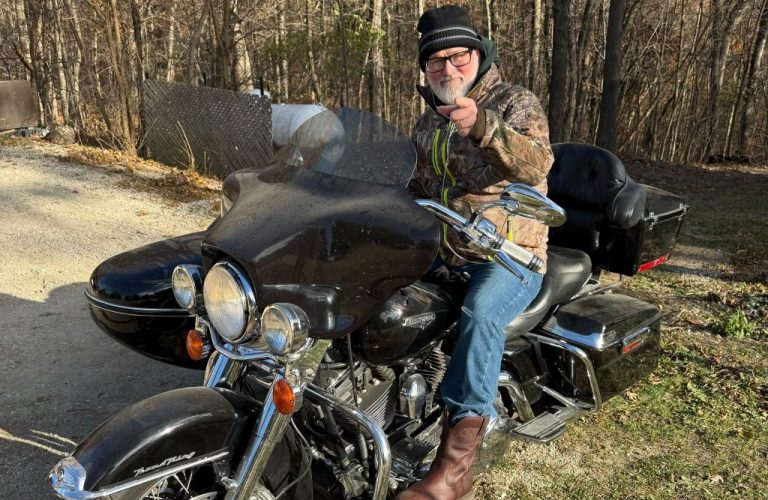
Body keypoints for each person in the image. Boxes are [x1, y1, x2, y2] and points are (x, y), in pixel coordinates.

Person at [400, 5, 554, 500]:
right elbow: (409, 184)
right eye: (436, 61)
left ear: (479, 54)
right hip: (443, 251)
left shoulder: (514, 102)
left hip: (509, 255)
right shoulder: (427, 123)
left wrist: (484, 125)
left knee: (481, 310)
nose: (449, 69)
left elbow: (537, 165)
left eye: (458, 55)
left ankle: (456, 467)